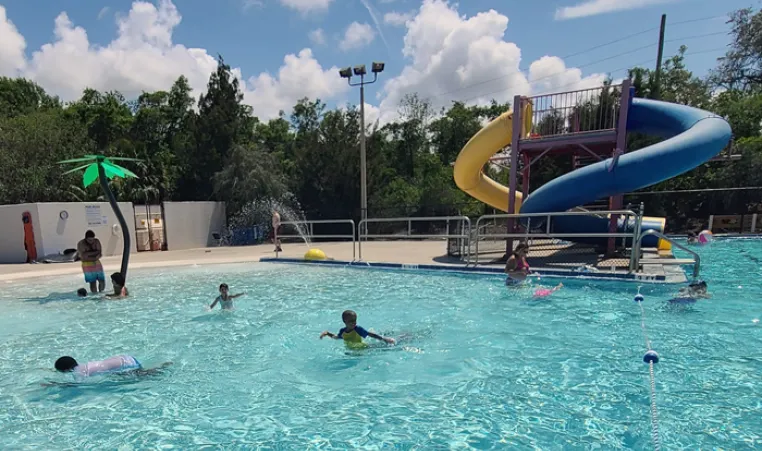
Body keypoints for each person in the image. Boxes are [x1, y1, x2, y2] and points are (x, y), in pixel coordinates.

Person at [53, 355, 172, 382]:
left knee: (143, 375)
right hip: (125, 357)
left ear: (65, 370)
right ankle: (163, 366)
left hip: (126, 364)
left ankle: (163, 367)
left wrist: (55, 384)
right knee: (114, 375)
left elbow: (75, 385)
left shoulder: (79, 373)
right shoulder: (83, 366)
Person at [320, 310, 396, 348]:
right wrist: (327, 334)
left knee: (381, 347)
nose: (354, 323)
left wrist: (384, 339)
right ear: (344, 321)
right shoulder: (342, 331)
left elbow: (370, 334)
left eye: (355, 320)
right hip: (352, 350)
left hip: (364, 348)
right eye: (351, 321)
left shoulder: (358, 329)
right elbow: (336, 337)